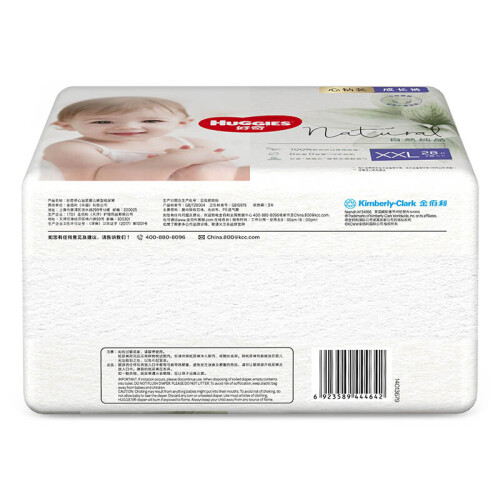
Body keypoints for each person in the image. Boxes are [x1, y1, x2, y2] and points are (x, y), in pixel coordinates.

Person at [43, 96, 249, 181]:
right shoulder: (71, 148)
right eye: (102, 121)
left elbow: (229, 172)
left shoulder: (195, 143)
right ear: (67, 126)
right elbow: (100, 180)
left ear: (182, 122)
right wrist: (177, 160)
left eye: (151, 120)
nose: (129, 127)